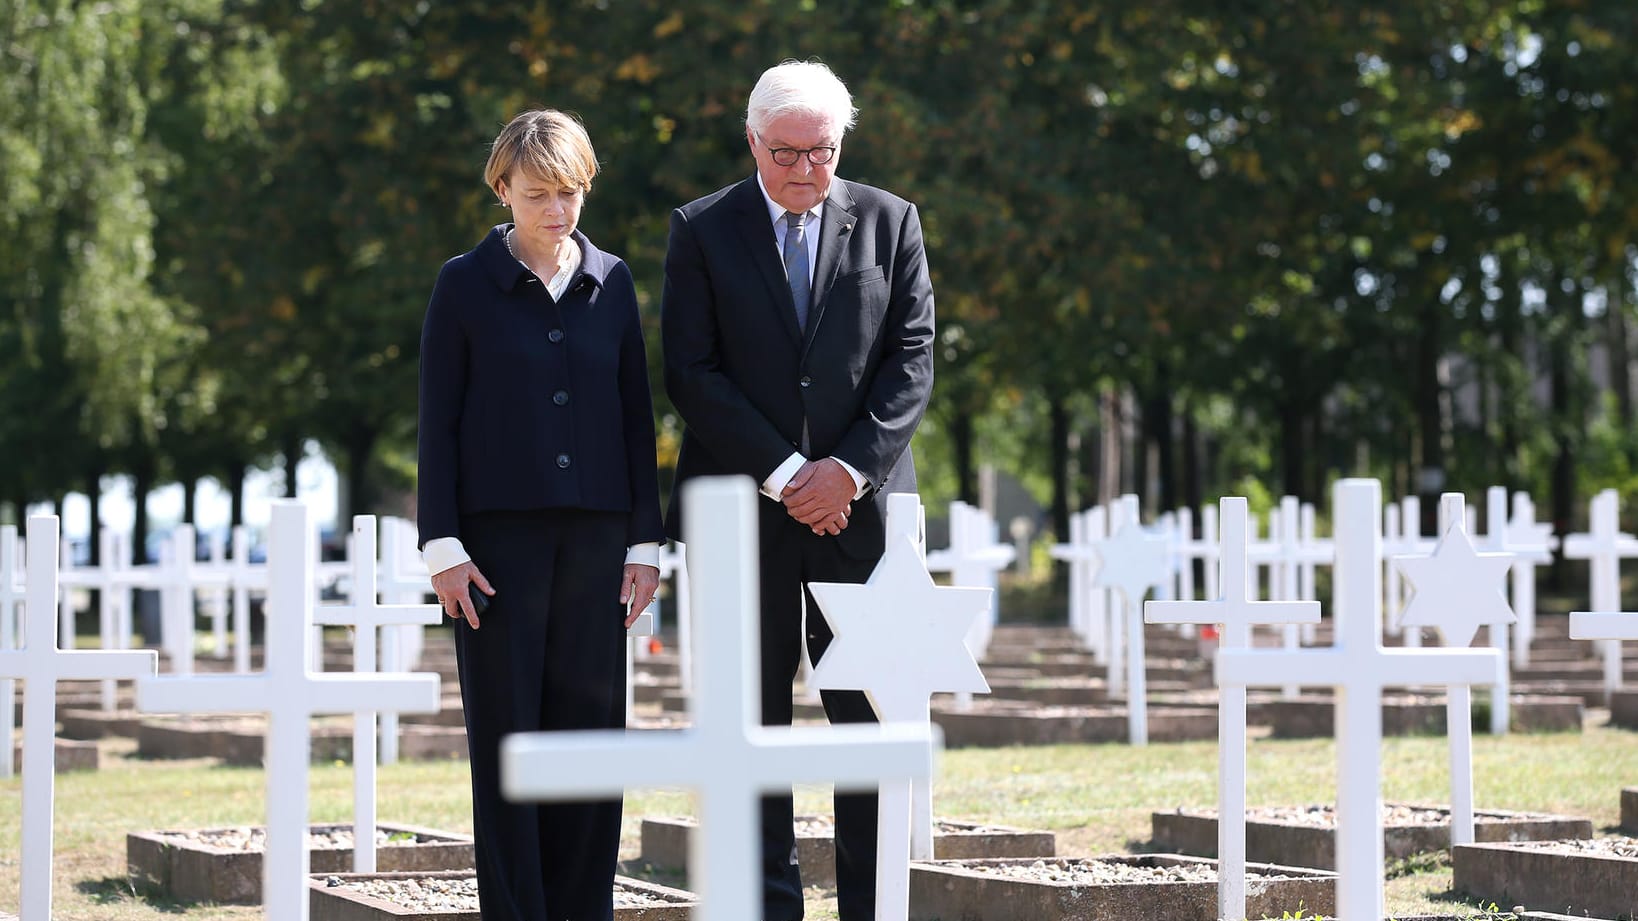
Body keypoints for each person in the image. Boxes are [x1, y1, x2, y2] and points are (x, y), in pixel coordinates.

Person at [660, 60, 935, 921]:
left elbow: (912, 358)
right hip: (743, 514)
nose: (805, 171)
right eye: (786, 153)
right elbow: (692, 372)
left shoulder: (892, 222)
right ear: (752, 141)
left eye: (821, 152)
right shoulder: (701, 230)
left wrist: (846, 471)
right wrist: (787, 475)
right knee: (752, 729)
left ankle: (871, 906)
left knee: (868, 729)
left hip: (862, 515)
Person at [416, 108, 663, 921]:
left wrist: (645, 542)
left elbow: (637, 418)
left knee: (592, 737)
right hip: (495, 550)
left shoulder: (615, 281)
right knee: (510, 742)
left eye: (571, 192)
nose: (558, 211)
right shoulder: (463, 283)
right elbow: (439, 421)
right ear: (502, 188)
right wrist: (442, 545)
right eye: (538, 194)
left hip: (600, 542)